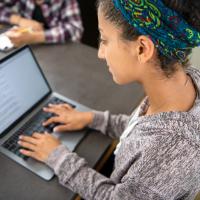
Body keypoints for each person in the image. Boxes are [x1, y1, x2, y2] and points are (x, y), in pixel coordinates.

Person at [18, 0, 200, 199]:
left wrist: (59, 158)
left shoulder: (169, 155)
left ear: (142, 49)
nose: (100, 53)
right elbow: (140, 129)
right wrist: (91, 119)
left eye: (104, 40)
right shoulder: (181, 84)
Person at [0, 0, 83, 47]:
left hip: (61, 49)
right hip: (30, 47)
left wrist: (35, 37)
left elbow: (75, 29)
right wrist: (20, 21)